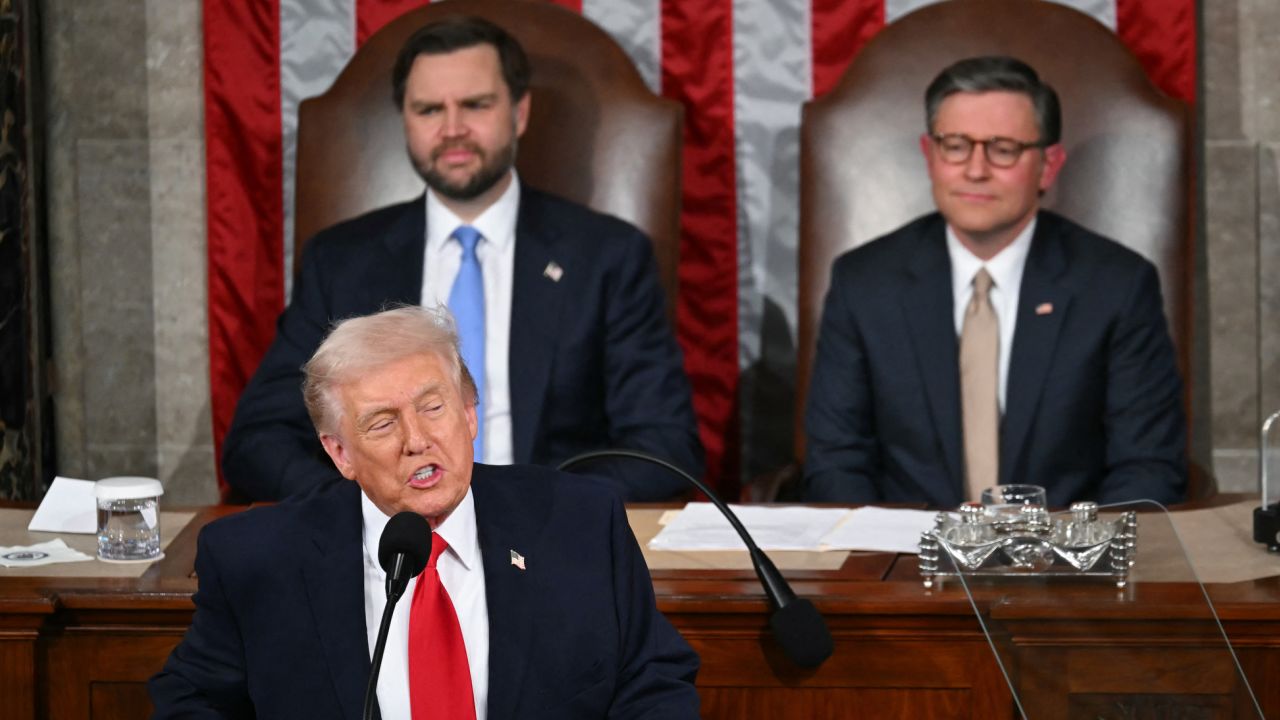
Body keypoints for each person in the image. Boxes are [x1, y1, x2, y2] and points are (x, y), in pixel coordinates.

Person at [222, 16, 703, 503]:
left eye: (475, 105)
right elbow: (259, 439)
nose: (452, 129)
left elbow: (663, 445)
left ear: (519, 113)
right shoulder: (342, 262)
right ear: (406, 120)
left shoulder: (608, 256)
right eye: (429, 109)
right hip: (392, 532)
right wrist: (364, 509)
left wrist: (536, 506)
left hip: (545, 526)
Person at [150, 305, 702, 718]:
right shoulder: (257, 560)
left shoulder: (581, 524)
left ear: (469, 413)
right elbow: (192, 702)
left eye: (433, 407)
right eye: (382, 423)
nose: (417, 441)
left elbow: (652, 684)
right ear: (340, 453)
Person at [803, 56, 1186, 509]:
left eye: (1003, 149)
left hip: (1062, 549)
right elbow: (837, 461)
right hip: (906, 549)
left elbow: (1146, 466)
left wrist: (1075, 550)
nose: (976, 170)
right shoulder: (865, 283)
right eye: (956, 146)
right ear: (929, 155)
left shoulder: (1116, 286)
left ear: (1048, 164)